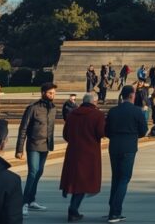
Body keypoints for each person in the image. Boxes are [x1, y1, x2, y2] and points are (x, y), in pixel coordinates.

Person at [60, 93, 106, 221]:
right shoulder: (98, 115)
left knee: (75, 178)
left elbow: (66, 135)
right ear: (95, 102)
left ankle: (69, 195)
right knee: (84, 181)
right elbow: (101, 132)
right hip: (90, 152)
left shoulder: (72, 114)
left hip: (73, 151)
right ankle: (73, 209)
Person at [105, 86, 147, 223]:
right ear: (132, 95)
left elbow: (107, 131)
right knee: (124, 179)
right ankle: (115, 212)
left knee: (116, 178)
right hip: (129, 146)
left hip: (114, 146)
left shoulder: (113, 111)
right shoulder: (137, 111)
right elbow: (143, 131)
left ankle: (112, 209)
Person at [15, 82, 57, 215]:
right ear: (43, 93)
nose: (53, 95)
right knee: (33, 172)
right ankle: (24, 203)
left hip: (46, 145)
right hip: (33, 144)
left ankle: (32, 200)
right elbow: (23, 128)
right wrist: (19, 149)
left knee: (39, 173)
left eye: (54, 93)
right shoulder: (33, 108)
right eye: (50, 93)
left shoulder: (53, 108)